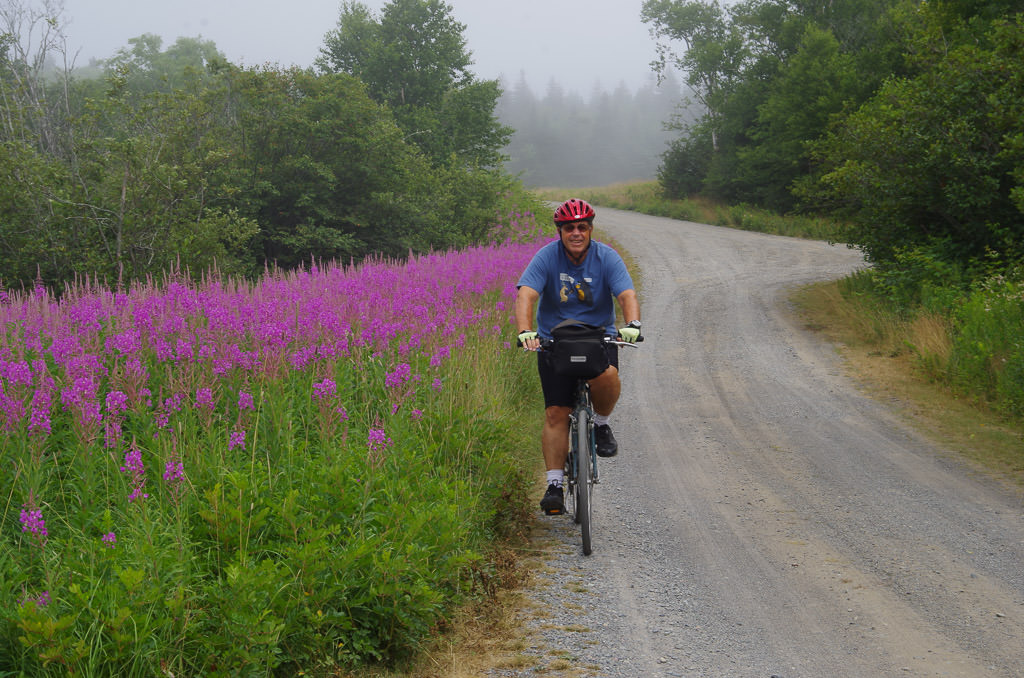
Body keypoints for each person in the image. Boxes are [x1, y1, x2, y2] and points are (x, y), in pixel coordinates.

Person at [515, 198, 642, 515]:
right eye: (569, 227)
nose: (576, 233)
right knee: (556, 413)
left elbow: (626, 294)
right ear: (560, 231)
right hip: (554, 341)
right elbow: (526, 294)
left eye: (581, 227)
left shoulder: (606, 257)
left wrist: (633, 325)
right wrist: (525, 331)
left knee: (608, 376)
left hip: (598, 337)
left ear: (590, 229)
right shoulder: (546, 257)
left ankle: (600, 424)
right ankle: (555, 485)